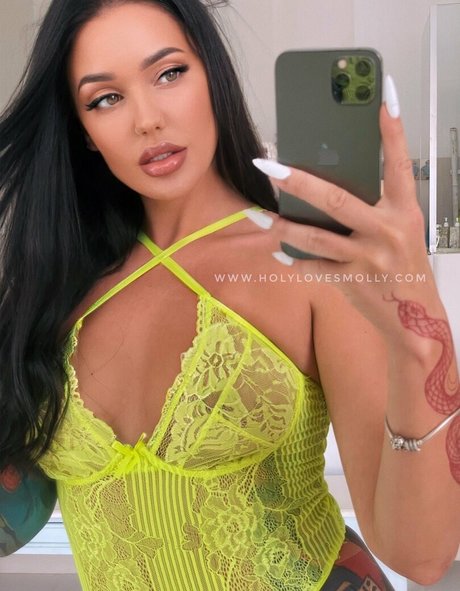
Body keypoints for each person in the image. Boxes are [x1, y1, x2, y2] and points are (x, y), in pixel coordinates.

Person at [0, 0, 459, 589]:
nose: (147, 120)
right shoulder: (54, 286)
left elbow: (420, 557)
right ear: (82, 131)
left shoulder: (308, 260)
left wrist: (424, 331)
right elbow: (14, 519)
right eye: (106, 98)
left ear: (212, 77)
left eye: (169, 73)